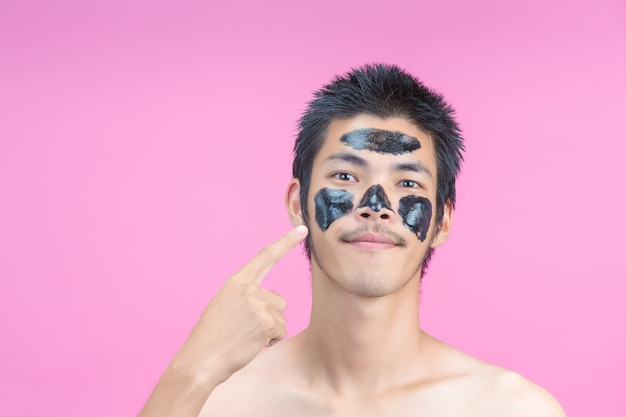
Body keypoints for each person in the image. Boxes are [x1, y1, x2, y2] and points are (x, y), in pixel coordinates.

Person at [138, 64, 567, 416]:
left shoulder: (509, 409)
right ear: (297, 201)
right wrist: (191, 373)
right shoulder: (216, 402)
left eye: (408, 184)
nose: (376, 205)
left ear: (442, 221)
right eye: (346, 176)